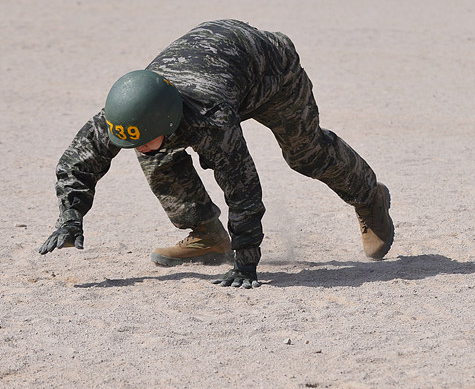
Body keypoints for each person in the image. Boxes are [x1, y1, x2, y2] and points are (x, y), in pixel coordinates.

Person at [39, 19, 395, 288]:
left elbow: (242, 187)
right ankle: (207, 235)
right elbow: (78, 163)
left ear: (167, 120)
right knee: (155, 154)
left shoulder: (212, 118)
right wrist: (70, 216)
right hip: (217, 72)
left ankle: (368, 197)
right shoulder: (127, 114)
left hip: (273, 74)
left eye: (143, 136)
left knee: (305, 154)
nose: (135, 143)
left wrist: (246, 260)